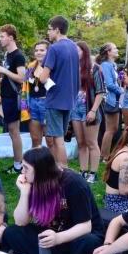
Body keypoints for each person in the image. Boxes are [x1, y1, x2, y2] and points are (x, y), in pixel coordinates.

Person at [0, 146, 104, 254]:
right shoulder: (33, 182)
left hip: (74, 235)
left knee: (89, 242)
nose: (22, 172)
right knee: (11, 232)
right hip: (50, 235)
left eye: (26, 168)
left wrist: (58, 238)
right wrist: (24, 192)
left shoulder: (74, 183)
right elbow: (20, 222)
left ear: (40, 170)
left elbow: (85, 227)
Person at [36, 15, 79, 166]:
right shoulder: (74, 47)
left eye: (49, 30)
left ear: (57, 30)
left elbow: (43, 78)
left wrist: (39, 73)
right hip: (70, 100)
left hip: (55, 100)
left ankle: (63, 171)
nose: (48, 33)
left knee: (58, 140)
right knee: (59, 138)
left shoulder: (54, 48)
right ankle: (61, 169)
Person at [71, 41, 105, 183]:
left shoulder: (94, 68)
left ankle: (93, 172)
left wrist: (93, 110)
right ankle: (83, 171)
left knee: (92, 142)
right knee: (80, 142)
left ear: (84, 52)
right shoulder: (71, 68)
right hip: (75, 108)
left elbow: (100, 92)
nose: (75, 53)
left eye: (77, 51)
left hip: (89, 107)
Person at [0, 24, 26, 174]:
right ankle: (18, 164)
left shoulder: (18, 55)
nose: (0, 39)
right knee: (12, 131)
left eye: (2, 36)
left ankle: (18, 165)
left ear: (11, 38)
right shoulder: (7, 55)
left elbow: (22, 78)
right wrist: (1, 80)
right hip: (7, 95)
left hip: (14, 97)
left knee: (14, 131)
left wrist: (4, 71)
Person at [97, 42, 124, 160]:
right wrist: (121, 91)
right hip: (110, 100)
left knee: (114, 129)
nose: (117, 50)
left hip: (115, 100)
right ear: (108, 52)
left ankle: (107, 154)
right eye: (115, 48)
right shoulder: (106, 65)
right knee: (109, 129)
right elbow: (108, 84)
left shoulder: (112, 65)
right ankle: (104, 155)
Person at [26, 41, 49, 148]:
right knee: (35, 138)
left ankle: (52, 163)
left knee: (50, 140)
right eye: (36, 50)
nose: (38, 52)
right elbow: (24, 84)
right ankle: (35, 163)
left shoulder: (51, 66)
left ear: (48, 51)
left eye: (42, 50)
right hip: (32, 103)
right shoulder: (31, 66)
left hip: (47, 104)